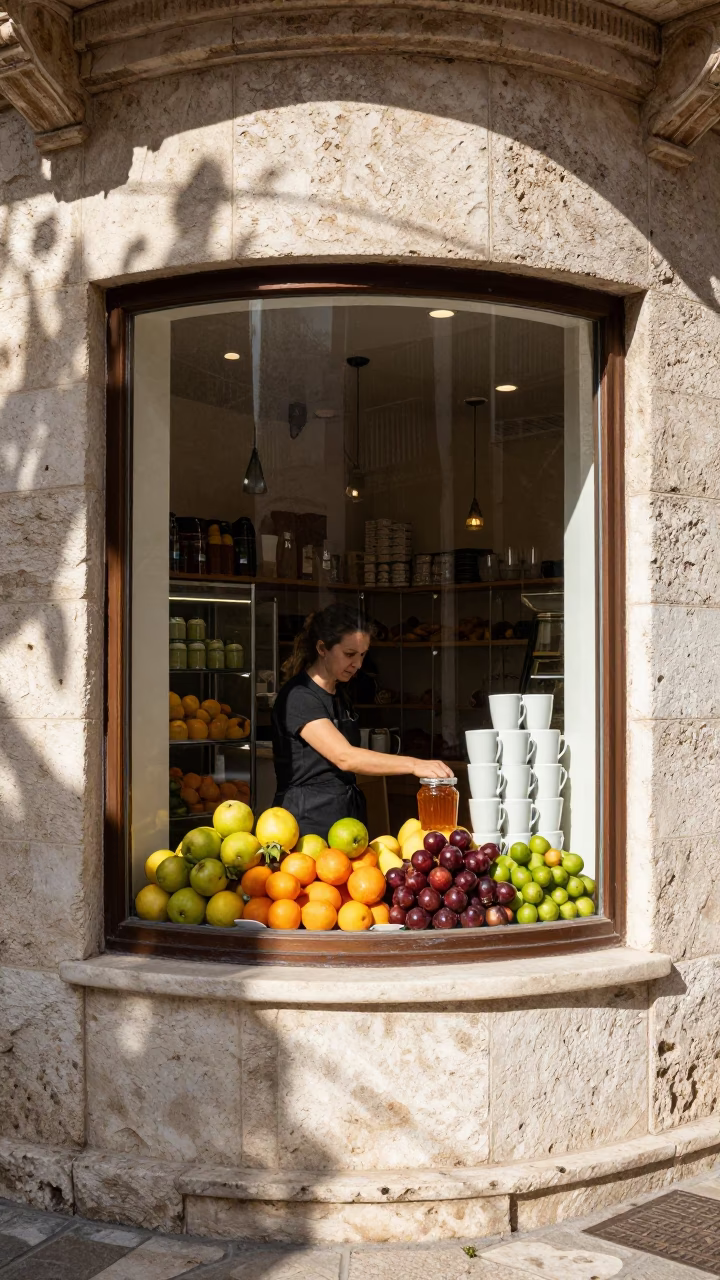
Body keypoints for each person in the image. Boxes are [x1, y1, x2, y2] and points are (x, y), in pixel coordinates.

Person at [271, 604, 453, 838]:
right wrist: (414, 765)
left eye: (363, 654)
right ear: (322, 648)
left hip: (346, 824)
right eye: (349, 654)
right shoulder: (299, 697)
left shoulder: (340, 695)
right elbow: (345, 757)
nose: (358, 664)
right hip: (306, 827)